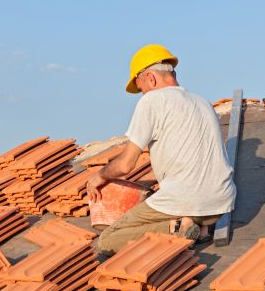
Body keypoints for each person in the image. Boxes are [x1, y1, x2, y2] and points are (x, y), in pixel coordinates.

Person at [87, 44, 236, 255]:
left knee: (107, 239)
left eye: (140, 88)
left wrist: (99, 176)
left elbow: (126, 164)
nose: (142, 93)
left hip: (186, 200)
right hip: (220, 204)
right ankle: (199, 228)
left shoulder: (152, 100)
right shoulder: (202, 102)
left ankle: (176, 228)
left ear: (150, 78)